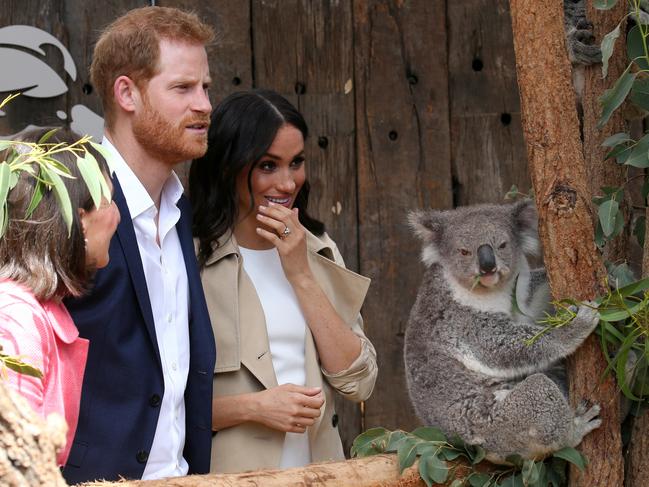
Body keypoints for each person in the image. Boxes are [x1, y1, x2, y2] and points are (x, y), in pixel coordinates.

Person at [61, 7, 216, 483]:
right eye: (183, 88)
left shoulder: (178, 207)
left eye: (206, 87)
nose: (206, 105)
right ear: (126, 92)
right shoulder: (69, 200)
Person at [190, 90, 378, 473]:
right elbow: (159, 407)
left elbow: (359, 382)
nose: (288, 183)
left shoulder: (319, 248)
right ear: (230, 165)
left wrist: (299, 272)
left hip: (321, 473)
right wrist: (253, 407)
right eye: (268, 165)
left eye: (296, 163)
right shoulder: (190, 258)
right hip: (231, 479)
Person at [0, 127, 120, 466]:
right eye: (108, 201)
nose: (117, 217)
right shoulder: (17, 319)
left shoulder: (33, 310)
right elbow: (15, 462)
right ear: (79, 218)